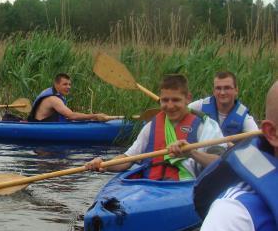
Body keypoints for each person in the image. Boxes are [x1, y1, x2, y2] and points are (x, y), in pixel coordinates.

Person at [161, 80, 278, 231]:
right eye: (165, 100)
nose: (222, 93)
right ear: (271, 133)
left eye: (227, 88)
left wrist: (194, 152)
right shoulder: (237, 211)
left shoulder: (243, 122)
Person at [85, 74, 224, 180]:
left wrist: (192, 152)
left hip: (186, 188)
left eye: (175, 100)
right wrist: (103, 164)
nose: (169, 106)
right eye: (165, 100)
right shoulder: (151, 127)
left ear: (188, 98)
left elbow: (221, 164)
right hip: (150, 188)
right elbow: (127, 159)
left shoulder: (206, 126)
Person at [189, 71, 259, 135]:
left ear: (236, 90)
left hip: (230, 148)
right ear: (213, 91)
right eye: (218, 88)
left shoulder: (245, 118)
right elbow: (181, 111)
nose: (222, 93)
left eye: (227, 88)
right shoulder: (200, 106)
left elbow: (256, 140)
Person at [27, 73, 110, 122]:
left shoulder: (52, 92)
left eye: (69, 84)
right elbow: (71, 115)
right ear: (56, 84)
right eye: (65, 84)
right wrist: (94, 116)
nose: (69, 87)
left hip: (46, 125)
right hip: (42, 127)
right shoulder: (53, 99)